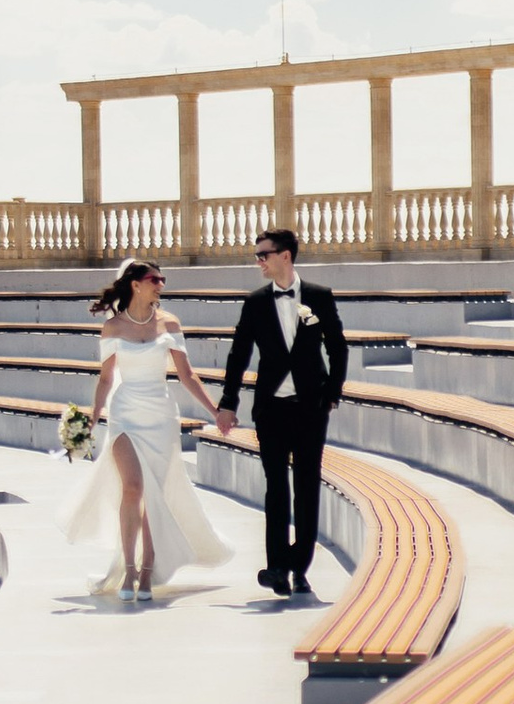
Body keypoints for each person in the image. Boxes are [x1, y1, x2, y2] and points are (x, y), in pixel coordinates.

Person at [65, 259, 234, 600]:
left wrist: (216, 412)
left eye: (162, 279)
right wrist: (94, 417)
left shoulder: (169, 322)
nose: (160, 284)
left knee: (154, 495)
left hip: (160, 417)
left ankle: (148, 569)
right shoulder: (112, 327)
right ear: (135, 284)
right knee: (133, 487)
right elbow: (106, 378)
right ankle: (128, 570)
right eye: (153, 279)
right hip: (125, 413)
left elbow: (187, 376)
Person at [217, 227, 349, 597]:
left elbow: (338, 348)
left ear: (285, 256)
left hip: (311, 408)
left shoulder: (319, 297)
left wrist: (332, 394)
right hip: (271, 409)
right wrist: (229, 402)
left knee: (306, 488)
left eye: (264, 254)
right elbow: (239, 354)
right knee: (276, 488)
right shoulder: (255, 302)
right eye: (257, 255)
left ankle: (299, 566)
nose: (258, 261)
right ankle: (277, 567)